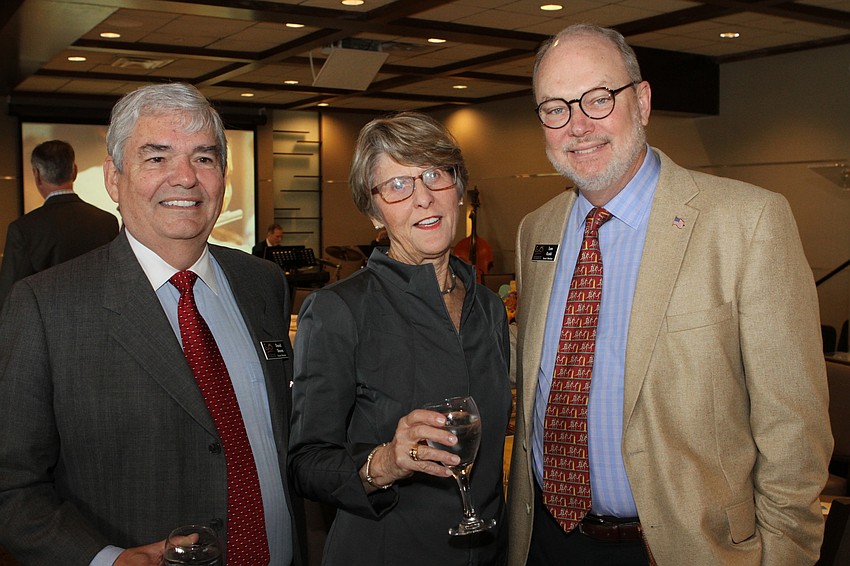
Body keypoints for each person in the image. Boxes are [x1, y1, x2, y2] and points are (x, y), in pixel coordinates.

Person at [507, 23, 832, 566]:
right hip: (544, 538)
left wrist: (783, 556)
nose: (578, 124)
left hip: (684, 548)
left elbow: (794, 427)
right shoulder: (535, 230)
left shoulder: (747, 222)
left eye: (598, 98)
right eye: (555, 107)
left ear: (642, 100)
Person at [0, 83, 305, 566]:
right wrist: (106, 559)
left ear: (223, 177)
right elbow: (12, 486)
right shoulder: (44, 307)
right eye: (157, 158)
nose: (184, 178)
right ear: (114, 179)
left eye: (204, 159)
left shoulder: (262, 282)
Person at [288, 111, 512, 565]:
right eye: (397, 185)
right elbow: (306, 464)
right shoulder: (338, 311)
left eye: (435, 175)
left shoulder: (487, 308)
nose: (424, 198)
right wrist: (386, 461)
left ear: (459, 189)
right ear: (374, 211)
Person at [0, 139, 119, 305]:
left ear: (37, 174)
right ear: (75, 171)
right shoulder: (108, 222)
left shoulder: (23, 229)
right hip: (101, 324)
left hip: (45, 327)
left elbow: (9, 298)